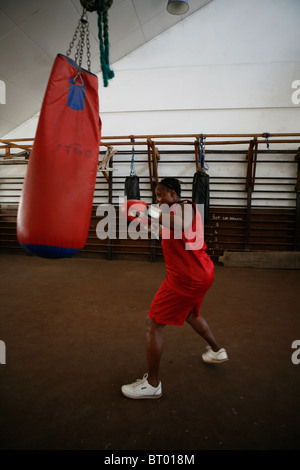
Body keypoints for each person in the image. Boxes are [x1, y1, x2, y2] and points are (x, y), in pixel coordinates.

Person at [121, 177, 228, 399]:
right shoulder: (171, 215)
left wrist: (148, 212)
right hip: (200, 273)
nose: (157, 199)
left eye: (160, 194)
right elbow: (168, 230)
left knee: (153, 323)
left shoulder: (185, 206)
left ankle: (152, 384)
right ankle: (217, 351)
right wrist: (142, 219)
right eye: (156, 195)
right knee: (190, 314)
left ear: (173, 193)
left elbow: (179, 224)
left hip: (186, 278)